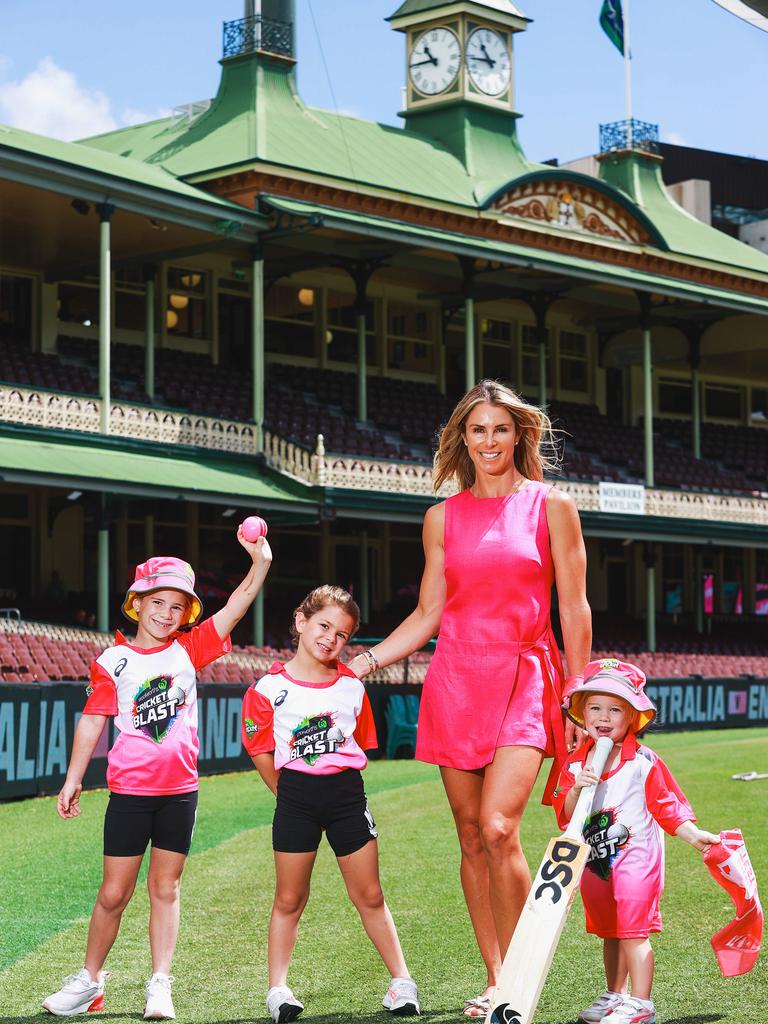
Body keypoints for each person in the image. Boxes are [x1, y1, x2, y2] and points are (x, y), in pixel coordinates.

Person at [347, 379, 592, 1016]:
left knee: (500, 825)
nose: (489, 441)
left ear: (520, 436)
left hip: (525, 676)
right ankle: (494, 977)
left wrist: (580, 697)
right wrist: (364, 662)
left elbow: (574, 606)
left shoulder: (551, 506)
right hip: (455, 679)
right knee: (469, 835)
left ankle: (517, 981)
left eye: (500, 429)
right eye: (477, 430)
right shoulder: (440, 518)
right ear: (463, 439)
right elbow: (430, 612)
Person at [43, 534, 272, 1021]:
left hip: (180, 795)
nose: (166, 614)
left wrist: (260, 563)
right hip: (129, 795)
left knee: (164, 888)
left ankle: (159, 984)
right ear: (137, 603)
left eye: (176, 606)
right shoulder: (111, 661)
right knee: (113, 893)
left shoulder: (190, 649)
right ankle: (89, 982)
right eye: (158, 602)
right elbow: (92, 719)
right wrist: (72, 779)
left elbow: (236, 605)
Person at [242, 585, 420, 1023]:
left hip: (345, 796)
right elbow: (259, 748)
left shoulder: (351, 688)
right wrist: (284, 793)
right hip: (296, 799)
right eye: (324, 626)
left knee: (370, 894)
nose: (330, 638)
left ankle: (401, 981)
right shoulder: (267, 688)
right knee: (290, 897)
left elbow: (360, 743)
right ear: (302, 622)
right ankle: (278, 989)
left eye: (342, 634)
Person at [553, 658, 721, 1024]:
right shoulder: (572, 764)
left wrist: (694, 836)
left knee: (632, 928)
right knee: (610, 930)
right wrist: (576, 787)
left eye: (615, 709)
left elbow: (667, 806)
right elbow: (565, 815)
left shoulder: (644, 762)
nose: (604, 716)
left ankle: (641, 1004)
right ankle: (615, 995)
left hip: (636, 858)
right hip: (596, 861)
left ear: (632, 717)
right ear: (582, 713)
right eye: (595, 707)